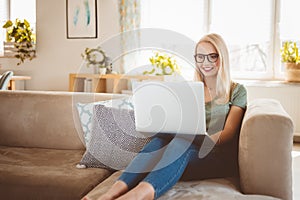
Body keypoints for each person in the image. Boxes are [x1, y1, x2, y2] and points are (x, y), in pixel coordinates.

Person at [93, 33, 247, 200]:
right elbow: (180, 122)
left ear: (222, 58)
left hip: (217, 157)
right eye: (200, 57)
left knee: (181, 144)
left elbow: (229, 132)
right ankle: (109, 195)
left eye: (212, 56)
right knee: (159, 142)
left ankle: (137, 196)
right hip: (185, 153)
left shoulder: (237, 90)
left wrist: (203, 140)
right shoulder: (190, 89)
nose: (205, 62)